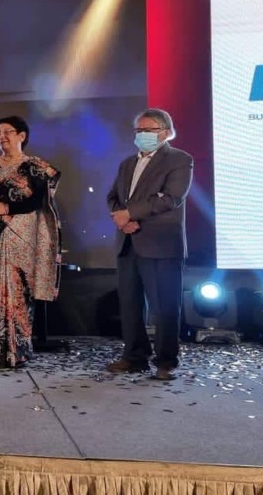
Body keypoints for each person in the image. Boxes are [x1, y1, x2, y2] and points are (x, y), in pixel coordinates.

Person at [105, 108, 193, 381]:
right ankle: (134, 356)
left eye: (148, 130)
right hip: (128, 241)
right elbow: (113, 197)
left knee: (164, 306)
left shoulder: (179, 159)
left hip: (160, 243)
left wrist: (130, 214)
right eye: (139, 130)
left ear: (165, 132)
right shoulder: (127, 163)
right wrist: (123, 220)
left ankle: (166, 361)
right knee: (130, 304)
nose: (142, 135)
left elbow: (171, 198)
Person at [0, 116, 61, 369]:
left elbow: (38, 200)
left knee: (17, 292)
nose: (2, 137)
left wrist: (7, 208)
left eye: (8, 132)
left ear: (22, 136)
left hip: (20, 234)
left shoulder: (34, 167)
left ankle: (16, 351)